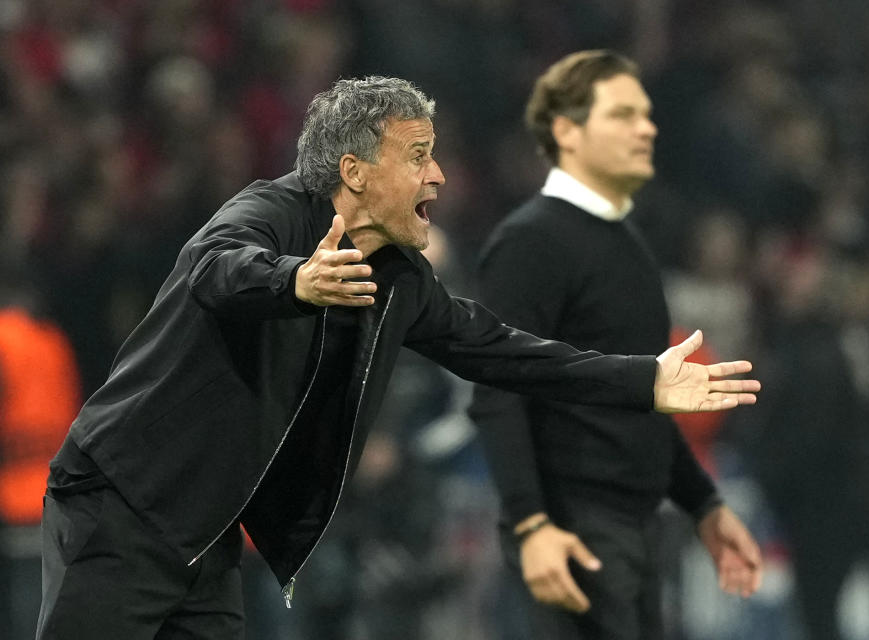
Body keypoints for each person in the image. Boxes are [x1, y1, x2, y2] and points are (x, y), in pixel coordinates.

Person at [36, 75, 760, 640]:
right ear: (353, 170)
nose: (438, 176)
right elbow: (215, 269)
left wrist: (645, 380)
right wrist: (293, 280)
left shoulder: (401, 281)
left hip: (207, 535)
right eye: (418, 156)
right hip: (122, 504)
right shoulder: (269, 213)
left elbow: (503, 351)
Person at [468, 51, 763, 640]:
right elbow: (497, 394)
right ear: (567, 132)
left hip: (635, 526)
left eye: (647, 115)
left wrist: (702, 503)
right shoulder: (529, 243)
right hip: (574, 526)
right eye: (623, 115)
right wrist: (531, 525)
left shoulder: (627, 244)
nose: (646, 128)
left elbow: (644, 402)